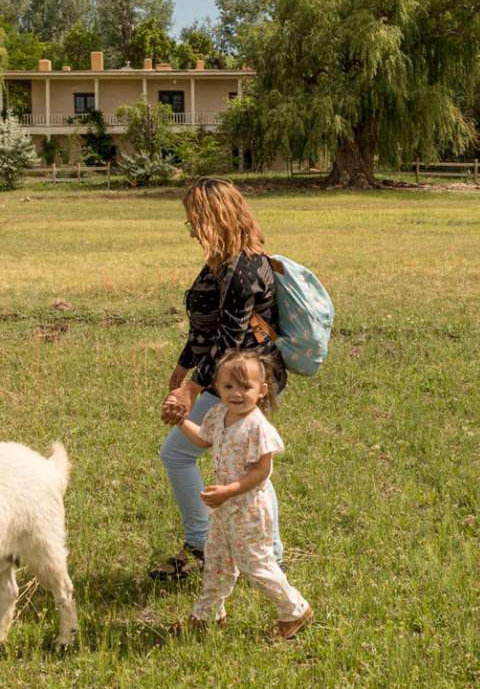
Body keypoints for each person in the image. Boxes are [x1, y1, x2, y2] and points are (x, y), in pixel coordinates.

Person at [152, 177, 287, 580]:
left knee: (181, 454)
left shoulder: (244, 268)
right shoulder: (222, 261)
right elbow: (205, 325)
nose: (191, 227)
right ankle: (261, 551)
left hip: (244, 380)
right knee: (239, 459)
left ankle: (204, 545)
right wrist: (182, 367)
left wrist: (193, 386)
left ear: (215, 217)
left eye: (194, 218)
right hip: (225, 374)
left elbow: (229, 339)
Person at [177, 349, 313, 639]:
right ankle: (208, 613)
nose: (236, 394)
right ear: (217, 387)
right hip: (223, 508)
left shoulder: (257, 427)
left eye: (245, 387)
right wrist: (180, 421)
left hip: (248, 510)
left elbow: (261, 472)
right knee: (216, 561)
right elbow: (203, 438)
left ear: (262, 390)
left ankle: (295, 610)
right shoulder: (219, 414)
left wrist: (229, 491)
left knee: (256, 563)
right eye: (228, 387)